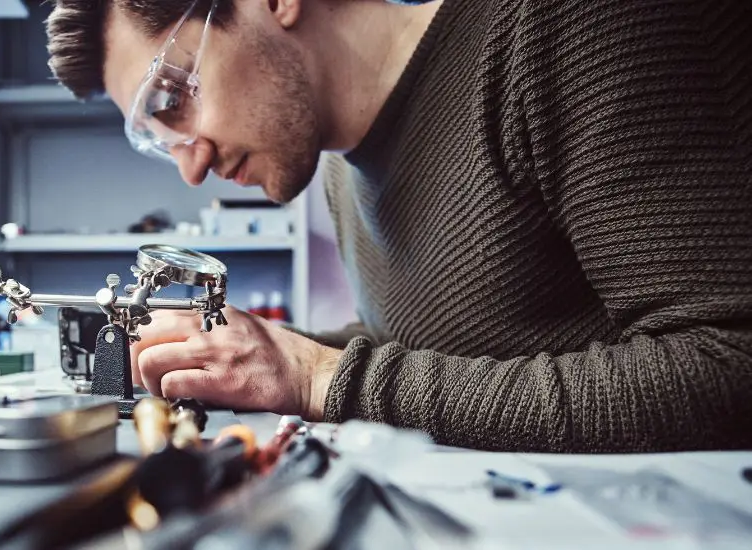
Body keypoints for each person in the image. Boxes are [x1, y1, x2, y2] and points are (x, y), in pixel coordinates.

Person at [44, 0, 752, 452]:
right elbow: (424, 350)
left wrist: (322, 377)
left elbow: (729, 364)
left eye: (170, 98)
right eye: (157, 138)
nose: (189, 166)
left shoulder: (564, 27)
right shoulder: (340, 174)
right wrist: (251, 360)